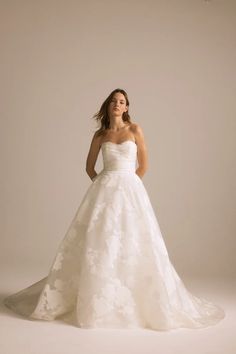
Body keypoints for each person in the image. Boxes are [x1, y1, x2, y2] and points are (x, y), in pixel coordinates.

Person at [3, 88, 225, 331]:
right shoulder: (100, 135)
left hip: (131, 190)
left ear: (127, 107)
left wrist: (129, 185)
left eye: (122, 102)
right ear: (108, 106)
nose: (117, 105)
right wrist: (105, 186)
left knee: (135, 241)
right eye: (114, 101)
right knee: (100, 242)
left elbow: (144, 165)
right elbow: (89, 168)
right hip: (104, 191)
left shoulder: (135, 130)